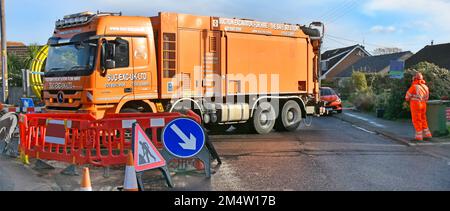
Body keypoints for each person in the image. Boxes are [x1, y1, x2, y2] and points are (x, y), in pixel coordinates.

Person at [405, 72, 432, 141]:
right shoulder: (425, 87)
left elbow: (407, 97)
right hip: (423, 104)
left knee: (416, 119)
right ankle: (427, 134)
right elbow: (427, 97)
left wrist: (410, 99)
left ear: (414, 78)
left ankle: (419, 136)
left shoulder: (414, 86)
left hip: (416, 104)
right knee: (423, 118)